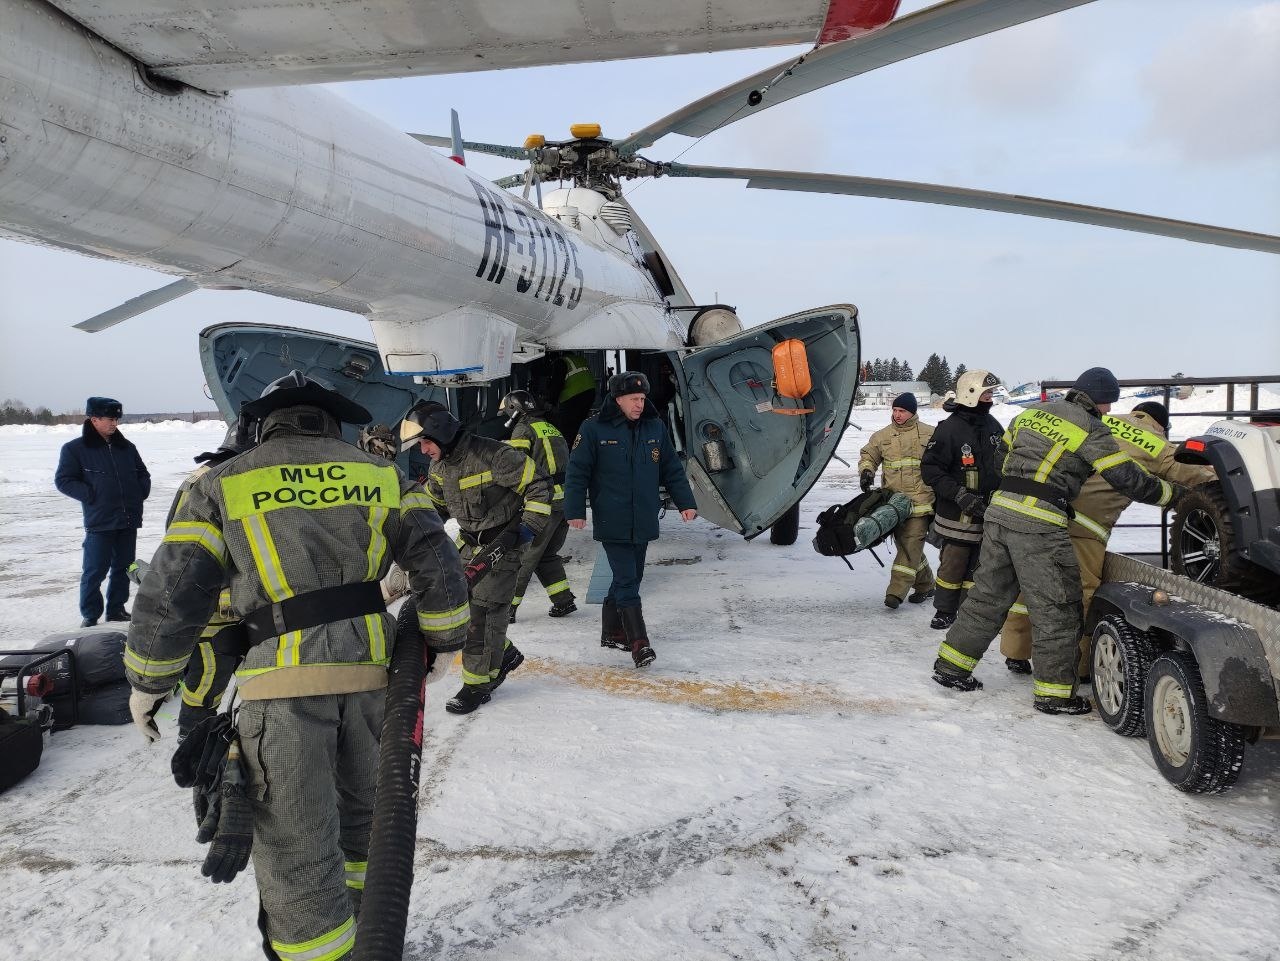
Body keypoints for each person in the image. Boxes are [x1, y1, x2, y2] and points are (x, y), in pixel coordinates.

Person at [123, 371, 470, 961]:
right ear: (332, 423)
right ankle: (370, 935)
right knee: (367, 825)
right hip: (374, 680)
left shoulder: (224, 483)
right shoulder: (381, 474)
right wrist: (442, 639)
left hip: (280, 688)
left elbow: (176, 587)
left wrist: (149, 680)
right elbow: (435, 557)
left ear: (262, 425)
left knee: (295, 844)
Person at [932, 367, 1183, 716]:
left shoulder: (1030, 414)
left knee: (987, 596)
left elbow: (1000, 459)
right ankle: (1054, 694)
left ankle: (951, 668)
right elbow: (1126, 479)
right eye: (1108, 405)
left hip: (999, 514)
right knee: (1059, 607)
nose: (1109, 412)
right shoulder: (1091, 428)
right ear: (1100, 401)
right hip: (1039, 523)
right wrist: (1174, 495)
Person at [998, 400, 1213, 676]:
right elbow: (1194, 474)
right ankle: (1078, 666)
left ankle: (1015, 651)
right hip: (1087, 528)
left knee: (1029, 583)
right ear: (1160, 425)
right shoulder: (1157, 444)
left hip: (1047, 510)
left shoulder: (1100, 421)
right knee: (1080, 595)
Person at [402, 400, 554, 714]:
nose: (423, 450)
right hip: (470, 544)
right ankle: (505, 653)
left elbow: (539, 485)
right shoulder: (440, 466)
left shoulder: (495, 455)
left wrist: (527, 529)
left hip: (505, 544)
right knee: (457, 607)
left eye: (425, 442)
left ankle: (477, 685)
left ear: (441, 434)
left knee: (483, 619)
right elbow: (436, 506)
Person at [562, 371, 698, 668]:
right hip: (613, 518)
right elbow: (577, 473)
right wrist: (573, 510)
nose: (640, 404)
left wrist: (686, 502)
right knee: (627, 581)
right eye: (634, 399)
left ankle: (612, 631)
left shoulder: (654, 427)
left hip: (644, 518)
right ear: (618, 399)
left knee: (630, 577)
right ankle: (639, 643)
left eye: (643, 398)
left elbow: (672, 469)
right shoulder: (594, 428)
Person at [55, 396, 151, 627]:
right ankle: (90, 615)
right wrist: (92, 495)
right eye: (110, 419)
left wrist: (139, 493)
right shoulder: (75, 449)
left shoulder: (126, 447)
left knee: (124, 567)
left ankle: (116, 609)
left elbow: (142, 474)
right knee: (95, 570)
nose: (114, 424)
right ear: (94, 419)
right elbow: (64, 480)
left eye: (116, 419)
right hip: (100, 521)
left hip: (128, 519)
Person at [919, 371, 1003, 630]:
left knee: (977, 568)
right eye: (986, 394)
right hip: (957, 516)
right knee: (953, 565)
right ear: (971, 395)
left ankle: (967, 609)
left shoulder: (994, 427)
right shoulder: (949, 430)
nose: (990, 399)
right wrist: (958, 494)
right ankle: (944, 610)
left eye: (991, 394)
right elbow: (930, 469)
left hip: (986, 514)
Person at [499, 390, 577, 621]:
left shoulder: (523, 429)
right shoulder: (550, 427)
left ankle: (506, 609)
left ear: (514, 409)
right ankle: (563, 601)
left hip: (545, 503)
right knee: (547, 554)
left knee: (524, 557)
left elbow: (516, 467)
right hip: (565, 502)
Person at [858, 393, 936, 609]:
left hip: (921, 502)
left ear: (912, 412)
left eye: (902, 411)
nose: (897, 415)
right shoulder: (883, 436)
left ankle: (896, 592)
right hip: (893, 505)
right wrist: (866, 471)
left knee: (911, 543)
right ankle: (926, 585)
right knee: (906, 545)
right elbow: (868, 456)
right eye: (895, 410)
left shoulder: (931, 434)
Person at [546, 351, 597, 442]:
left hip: (573, 396)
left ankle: (569, 449)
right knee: (579, 422)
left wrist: (550, 402)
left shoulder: (561, 362)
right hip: (590, 392)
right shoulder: (579, 359)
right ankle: (581, 443)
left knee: (567, 427)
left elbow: (557, 384)